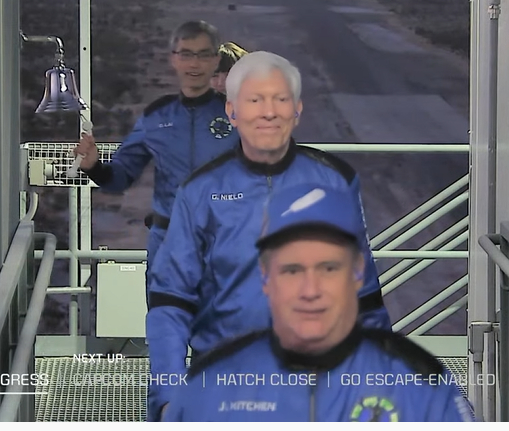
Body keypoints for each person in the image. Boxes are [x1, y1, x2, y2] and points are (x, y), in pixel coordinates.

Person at [146, 51, 392, 421]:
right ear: (231, 112)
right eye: (254, 100)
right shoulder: (199, 191)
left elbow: (365, 298)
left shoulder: (335, 181)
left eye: (280, 99)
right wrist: (168, 395)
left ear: (297, 109)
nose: (268, 112)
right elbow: (170, 302)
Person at [161, 183, 475, 422]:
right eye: (292, 269)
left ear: (357, 272)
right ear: (266, 276)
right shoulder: (209, 387)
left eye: (328, 268)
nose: (310, 290)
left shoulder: (420, 384)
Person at [72, 21, 239, 298]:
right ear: (174, 60)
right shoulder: (157, 117)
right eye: (186, 55)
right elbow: (119, 179)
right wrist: (94, 167)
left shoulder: (245, 118)